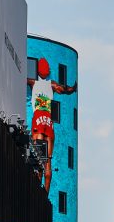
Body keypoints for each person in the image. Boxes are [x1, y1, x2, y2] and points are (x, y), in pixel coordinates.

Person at [26, 58, 77, 193]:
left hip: (38, 119)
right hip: (48, 122)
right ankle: (45, 195)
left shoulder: (33, 82)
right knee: (48, 160)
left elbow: (20, 77)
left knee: (38, 159)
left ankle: (36, 192)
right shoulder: (52, 84)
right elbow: (66, 89)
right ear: (48, 70)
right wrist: (72, 88)